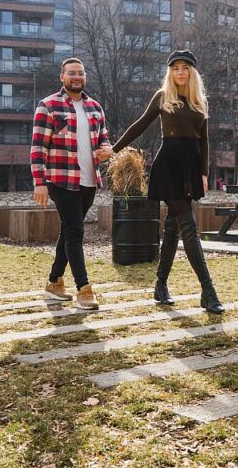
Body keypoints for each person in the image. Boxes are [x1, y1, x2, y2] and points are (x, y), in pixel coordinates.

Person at [99, 50, 225, 314]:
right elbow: (140, 125)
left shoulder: (199, 101)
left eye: (185, 68)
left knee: (173, 228)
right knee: (188, 226)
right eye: (175, 68)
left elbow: (204, 141)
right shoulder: (162, 97)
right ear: (170, 72)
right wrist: (114, 148)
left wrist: (203, 174)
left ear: (192, 72)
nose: (180, 72)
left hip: (190, 168)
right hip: (169, 165)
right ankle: (208, 290)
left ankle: (160, 285)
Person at [30, 57, 111, 310]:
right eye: (71, 73)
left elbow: (104, 141)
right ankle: (84, 290)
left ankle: (54, 282)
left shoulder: (95, 107)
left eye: (80, 73)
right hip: (60, 179)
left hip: (89, 180)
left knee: (68, 230)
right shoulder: (49, 105)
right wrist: (39, 183)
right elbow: (38, 148)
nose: (77, 77)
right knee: (75, 231)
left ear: (84, 77)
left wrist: (107, 150)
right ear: (62, 77)